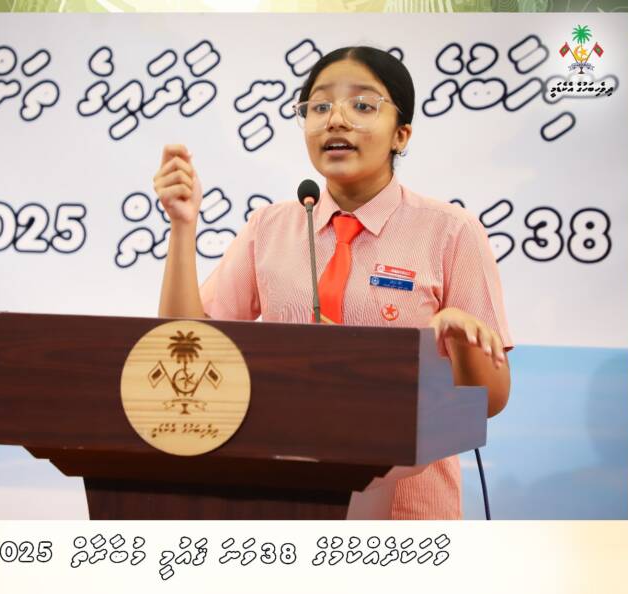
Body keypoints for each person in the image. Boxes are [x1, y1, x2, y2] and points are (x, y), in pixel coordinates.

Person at [152, 46, 513, 520]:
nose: (336, 120)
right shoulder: (271, 226)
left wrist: (460, 339)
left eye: (362, 105)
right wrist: (182, 226)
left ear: (401, 134)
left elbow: (490, 401)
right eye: (319, 106)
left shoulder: (450, 231)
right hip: (283, 502)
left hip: (407, 513)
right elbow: (186, 345)